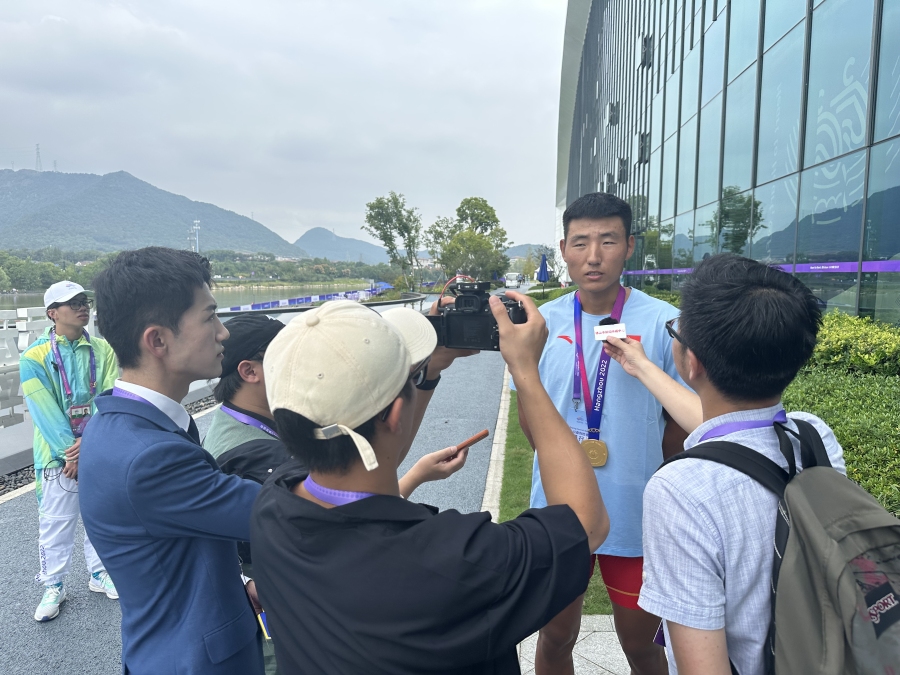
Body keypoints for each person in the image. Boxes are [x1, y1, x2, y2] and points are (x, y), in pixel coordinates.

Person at [250, 297, 609, 674]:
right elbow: (586, 524)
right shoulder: (457, 562)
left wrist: (429, 370)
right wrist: (525, 372)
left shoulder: (273, 504)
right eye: (411, 378)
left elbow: (370, 456)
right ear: (396, 414)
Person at [604, 254, 845, 675]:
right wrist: (641, 366)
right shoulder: (813, 436)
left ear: (691, 361)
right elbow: (731, 428)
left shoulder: (680, 489)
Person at [203, 311, 472, 675]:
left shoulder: (235, 421)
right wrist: (415, 477)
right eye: (285, 357)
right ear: (249, 371)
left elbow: (372, 458)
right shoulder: (256, 456)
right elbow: (350, 514)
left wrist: (425, 374)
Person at [514, 192, 686, 675]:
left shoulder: (662, 323)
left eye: (608, 241)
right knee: (554, 638)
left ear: (629, 246)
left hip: (635, 512)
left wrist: (647, 462)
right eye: (580, 242)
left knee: (641, 646)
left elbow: (681, 420)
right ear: (563, 250)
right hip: (558, 512)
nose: (594, 256)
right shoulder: (539, 325)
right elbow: (530, 414)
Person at [78, 247, 265, 675]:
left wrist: (235, 584)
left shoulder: (116, 424)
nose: (223, 333)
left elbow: (164, 549)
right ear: (158, 340)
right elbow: (282, 513)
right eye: (210, 317)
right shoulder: (151, 457)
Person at [19, 280, 119, 622]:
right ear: (52, 313)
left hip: (97, 449)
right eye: (72, 303)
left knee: (101, 516)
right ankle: (54, 584)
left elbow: (109, 397)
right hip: (55, 458)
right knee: (56, 522)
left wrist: (88, 445)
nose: (82, 307)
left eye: (84, 301)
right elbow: (43, 409)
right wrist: (70, 453)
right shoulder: (34, 356)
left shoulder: (103, 350)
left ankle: (99, 573)